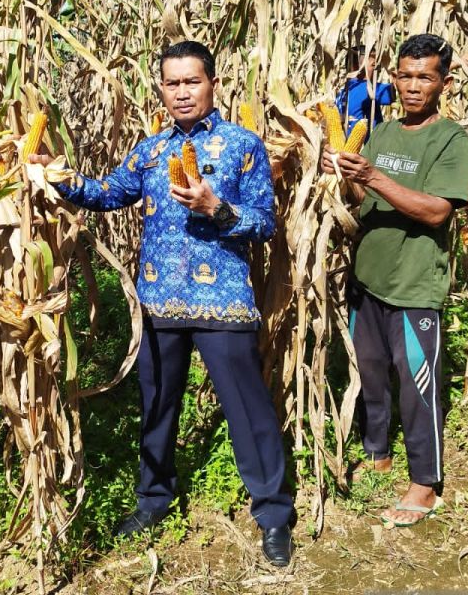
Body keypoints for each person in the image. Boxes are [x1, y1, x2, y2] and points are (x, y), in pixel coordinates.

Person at [29, 40, 296, 567]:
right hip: (155, 304)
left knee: (248, 411)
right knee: (156, 408)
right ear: (161, 89)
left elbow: (265, 222)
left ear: (213, 83)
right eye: (171, 83)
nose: (181, 93)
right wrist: (59, 176)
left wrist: (217, 207)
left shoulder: (242, 146)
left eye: (191, 81)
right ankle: (154, 497)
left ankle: (272, 515)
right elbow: (108, 192)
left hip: (223, 303)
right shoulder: (150, 150)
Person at [320, 33, 468, 529]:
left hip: (413, 285)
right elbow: (362, 198)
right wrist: (343, 173)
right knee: (370, 371)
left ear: (443, 82)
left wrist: (374, 177)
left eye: (424, 77)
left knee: (417, 386)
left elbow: (436, 211)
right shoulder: (380, 133)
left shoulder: (451, 139)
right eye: (404, 75)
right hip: (369, 276)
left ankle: (425, 484)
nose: (412, 86)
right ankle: (377, 452)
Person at [334, 44, 395, 142]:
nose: (377, 69)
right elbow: (395, 93)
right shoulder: (367, 89)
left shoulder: (342, 92)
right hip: (366, 149)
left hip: (346, 145)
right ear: (357, 67)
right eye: (373, 65)